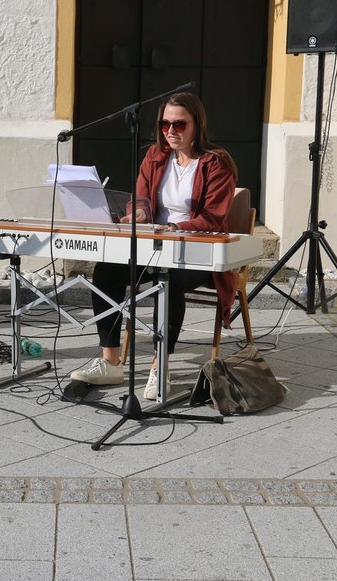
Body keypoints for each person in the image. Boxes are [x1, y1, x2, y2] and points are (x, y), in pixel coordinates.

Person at [70, 92, 237, 399]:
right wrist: (138, 214)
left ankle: (160, 367)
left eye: (179, 125)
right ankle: (110, 361)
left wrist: (176, 227)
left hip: (197, 252)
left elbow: (212, 218)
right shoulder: (156, 155)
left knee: (167, 279)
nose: (171, 131)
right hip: (153, 246)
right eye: (164, 124)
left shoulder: (216, 162)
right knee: (106, 270)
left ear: (197, 125)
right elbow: (140, 199)